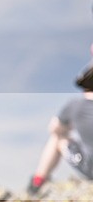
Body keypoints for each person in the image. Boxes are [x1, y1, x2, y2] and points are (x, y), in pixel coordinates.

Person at [28, 51, 93, 194]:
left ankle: (38, 182)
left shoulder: (75, 106)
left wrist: (76, 124)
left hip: (89, 168)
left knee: (58, 139)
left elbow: (54, 128)